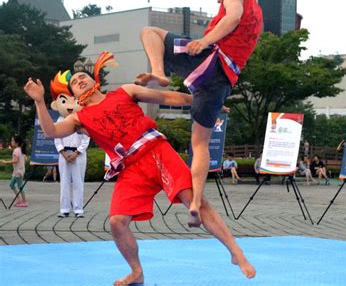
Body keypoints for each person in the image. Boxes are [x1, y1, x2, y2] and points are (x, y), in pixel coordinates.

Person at [24, 53, 256, 285]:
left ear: (95, 80)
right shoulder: (79, 119)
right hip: (131, 168)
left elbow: (165, 96)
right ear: (72, 94)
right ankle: (136, 271)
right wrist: (39, 101)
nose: (79, 80)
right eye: (74, 82)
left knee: (194, 199)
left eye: (83, 76)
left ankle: (236, 252)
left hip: (157, 150)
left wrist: (206, 102)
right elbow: (51, 132)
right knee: (116, 221)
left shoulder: (124, 91)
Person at [137, 0, 263, 227]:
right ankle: (195, 202)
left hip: (210, 60)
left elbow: (233, 17)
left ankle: (160, 71)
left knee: (149, 32)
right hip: (223, 83)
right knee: (200, 144)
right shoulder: (258, 12)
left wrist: (205, 41)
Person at [50, 70, 90, 218]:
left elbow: (86, 138)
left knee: (78, 182)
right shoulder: (60, 120)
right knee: (64, 182)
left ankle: (78, 209)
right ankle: (64, 209)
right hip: (64, 154)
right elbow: (56, 137)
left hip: (78, 155)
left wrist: (77, 152)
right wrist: (63, 153)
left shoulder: (82, 119)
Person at [0, 135, 28, 207]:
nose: (11, 142)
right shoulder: (20, 149)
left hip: (18, 172)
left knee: (19, 186)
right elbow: (25, 159)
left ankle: (24, 201)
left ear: (17, 143)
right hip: (19, 171)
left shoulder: (16, 150)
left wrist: (5, 162)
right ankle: (19, 200)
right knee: (12, 185)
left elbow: (15, 161)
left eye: (12, 141)